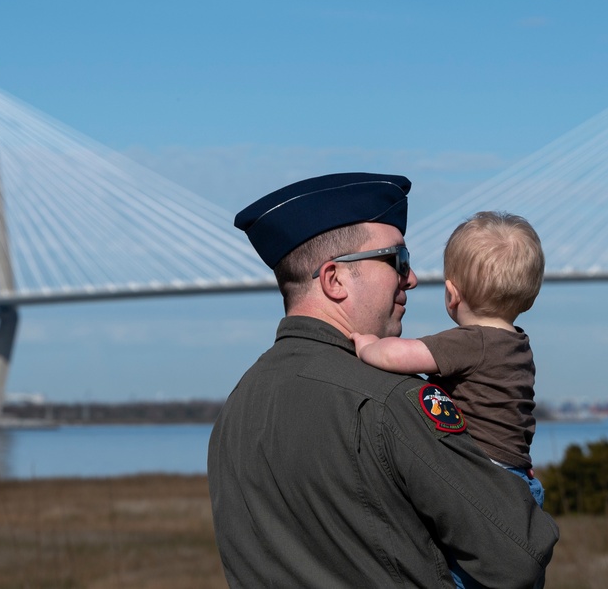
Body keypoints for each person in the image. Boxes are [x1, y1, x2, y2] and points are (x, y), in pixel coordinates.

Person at [208, 173, 558, 588]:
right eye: (398, 261)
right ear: (334, 279)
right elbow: (517, 557)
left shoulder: (236, 411)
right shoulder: (390, 400)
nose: (410, 278)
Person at [351, 211, 545, 589]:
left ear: (452, 294)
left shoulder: (470, 342)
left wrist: (366, 344)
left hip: (483, 481)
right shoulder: (518, 344)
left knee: (462, 575)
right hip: (519, 481)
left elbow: (398, 356)